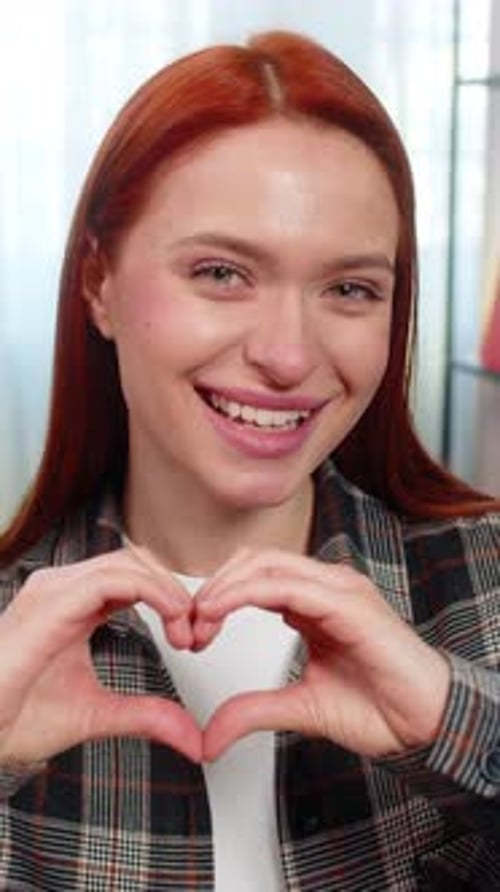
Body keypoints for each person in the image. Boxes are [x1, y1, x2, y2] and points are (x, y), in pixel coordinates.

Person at [0, 29, 499, 892]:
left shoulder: (486, 579)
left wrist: (458, 727)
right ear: (98, 285)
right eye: (223, 273)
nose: (287, 354)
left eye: (350, 289)